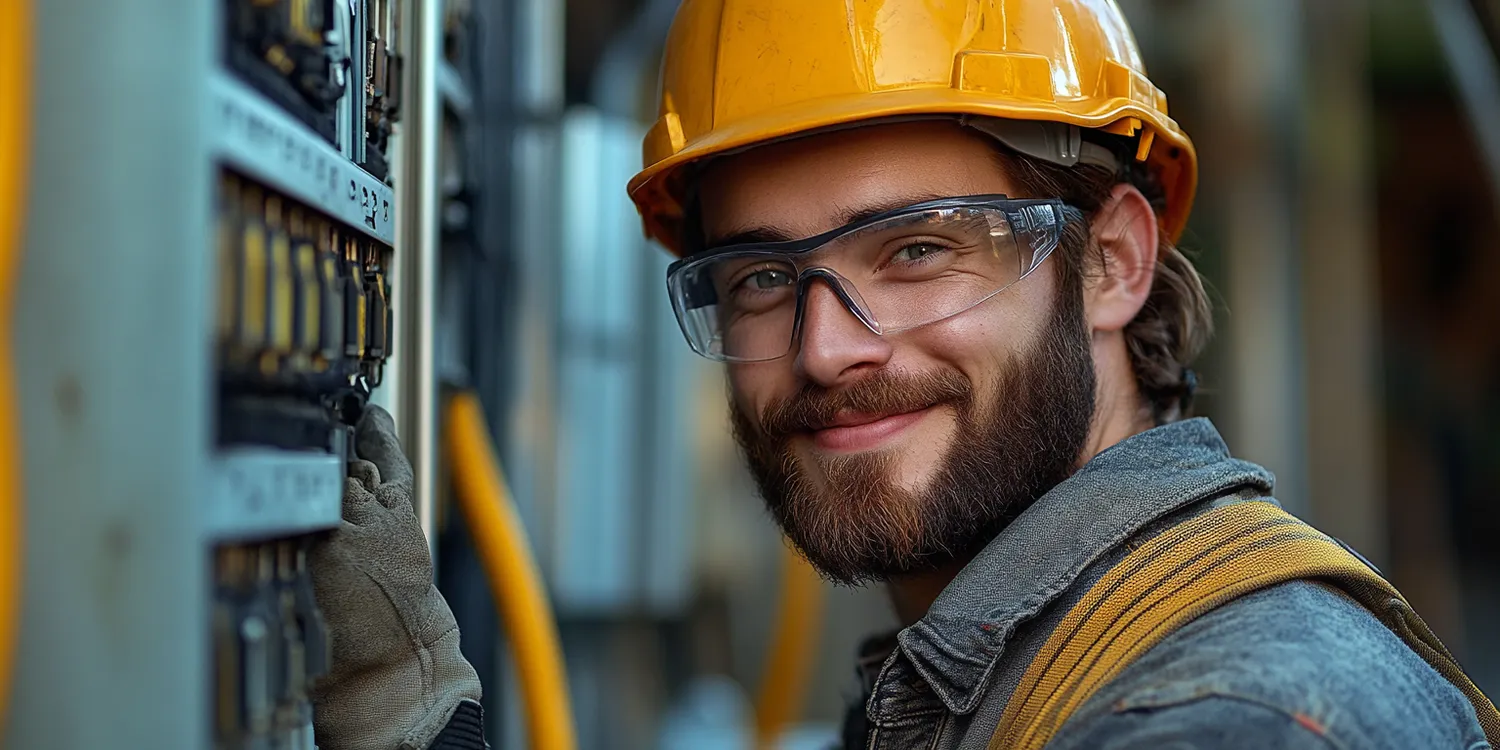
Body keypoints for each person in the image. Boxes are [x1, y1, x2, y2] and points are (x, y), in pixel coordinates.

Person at [307, 1, 1498, 748]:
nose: (828, 350)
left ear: (1115, 263)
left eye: (918, 250)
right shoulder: (972, 687)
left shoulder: (1227, 721)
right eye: (763, 278)